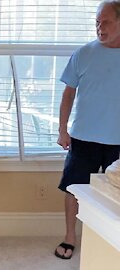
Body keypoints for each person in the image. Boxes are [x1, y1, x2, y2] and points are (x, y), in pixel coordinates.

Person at [55, 0, 120, 260]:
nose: (100, 28)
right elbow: (67, 95)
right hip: (83, 139)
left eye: (106, 22)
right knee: (74, 188)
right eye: (97, 22)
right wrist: (62, 130)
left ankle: (113, 241)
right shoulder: (83, 53)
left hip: (118, 143)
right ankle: (70, 238)